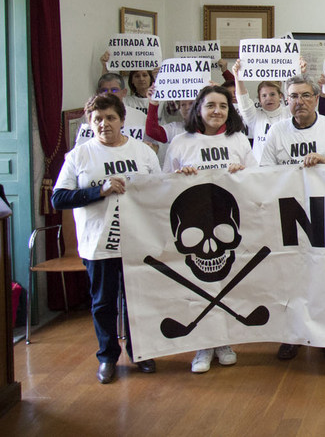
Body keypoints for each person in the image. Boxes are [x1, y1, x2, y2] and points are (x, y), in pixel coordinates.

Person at [51, 94, 161, 383]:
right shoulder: (79, 156)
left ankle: (141, 352)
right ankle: (108, 357)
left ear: (122, 120)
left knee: (138, 301)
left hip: (138, 242)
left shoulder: (143, 152)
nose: (104, 124)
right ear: (90, 123)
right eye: (97, 119)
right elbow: (59, 198)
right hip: (98, 244)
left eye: (110, 118)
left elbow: (160, 191)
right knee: (103, 303)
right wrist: (98, 191)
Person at [163, 84, 257, 373]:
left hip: (227, 228)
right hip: (194, 229)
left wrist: (243, 174)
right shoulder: (181, 142)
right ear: (198, 109)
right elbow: (163, 185)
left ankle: (224, 341)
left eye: (223, 106)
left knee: (226, 284)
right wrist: (179, 176)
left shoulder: (239, 140)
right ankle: (203, 346)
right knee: (200, 287)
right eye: (211, 105)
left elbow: (258, 180)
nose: (217, 111)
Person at [262, 75, 325, 361]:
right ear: (285, 101)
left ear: (316, 99)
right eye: (293, 96)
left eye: (305, 96)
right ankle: (293, 336)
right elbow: (264, 173)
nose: (299, 101)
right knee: (292, 277)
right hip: (290, 214)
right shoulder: (277, 131)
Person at [232, 60, 290, 161]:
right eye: (264, 96)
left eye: (272, 94)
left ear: (280, 96)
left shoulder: (289, 113)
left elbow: (298, 93)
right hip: (260, 168)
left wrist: (300, 71)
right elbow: (243, 100)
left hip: (286, 167)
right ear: (259, 99)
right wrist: (238, 77)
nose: (268, 98)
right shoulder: (254, 117)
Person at [75, 73, 150, 147]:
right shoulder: (87, 119)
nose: (109, 94)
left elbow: (150, 144)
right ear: (98, 93)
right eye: (104, 90)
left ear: (124, 92)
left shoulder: (140, 117)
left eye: (114, 90)